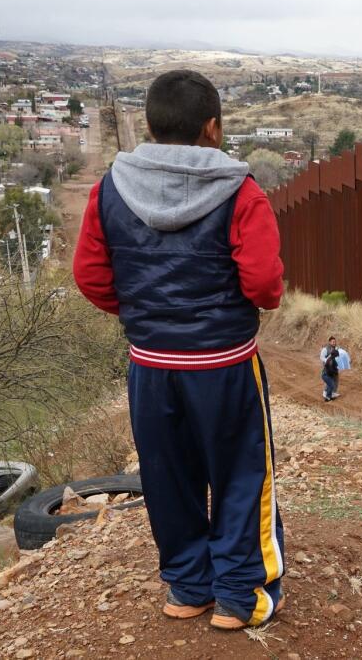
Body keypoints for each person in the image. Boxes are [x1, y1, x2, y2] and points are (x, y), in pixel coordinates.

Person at [73, 70, 286, 631]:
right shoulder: (242, 192)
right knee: (241, 476)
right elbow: (264, 284)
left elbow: (90, 276)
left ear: (150, 124)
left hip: (149, 367)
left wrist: (146, 315)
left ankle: (188, 590)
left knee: (168, 478)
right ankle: (242, 598)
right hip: (226, 368)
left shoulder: (109, 189)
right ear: (212, 128)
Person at [320, 336, 340, 401]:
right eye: (333, 342)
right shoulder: (325, 349)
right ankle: (326, 392)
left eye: (335, 341)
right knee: (329, 380)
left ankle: (333, 392)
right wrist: (328, 360)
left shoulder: (336, 348)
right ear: (329, 342)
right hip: (327, 366)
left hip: (334, 366)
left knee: (336, 379)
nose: (334, 343)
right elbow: (322, 357)